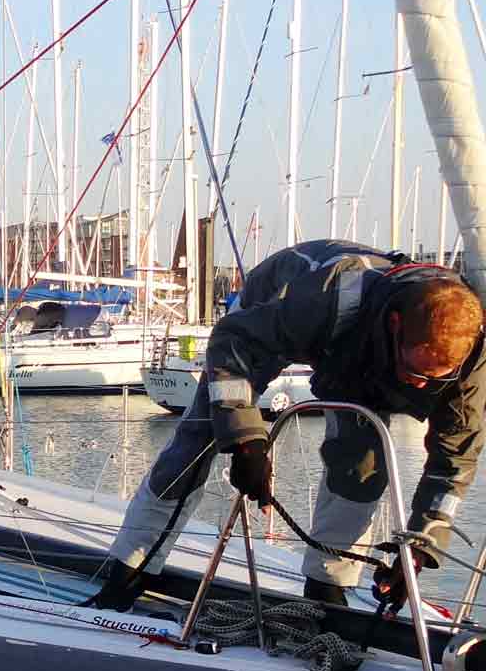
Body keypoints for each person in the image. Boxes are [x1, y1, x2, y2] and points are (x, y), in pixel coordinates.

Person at [89, 239, 485, 611]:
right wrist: (246, 441)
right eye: (415, 371)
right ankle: (130, 567)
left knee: (362, 465)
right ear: (396, 324)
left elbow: (454, 465)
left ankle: (326, 589)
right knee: (203, 433)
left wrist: (419, 548)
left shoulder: (471, 365)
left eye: (437, 379)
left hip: (360, 361)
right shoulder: (327, 299)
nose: (420, 385)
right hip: (277, 302)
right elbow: (233, 345)